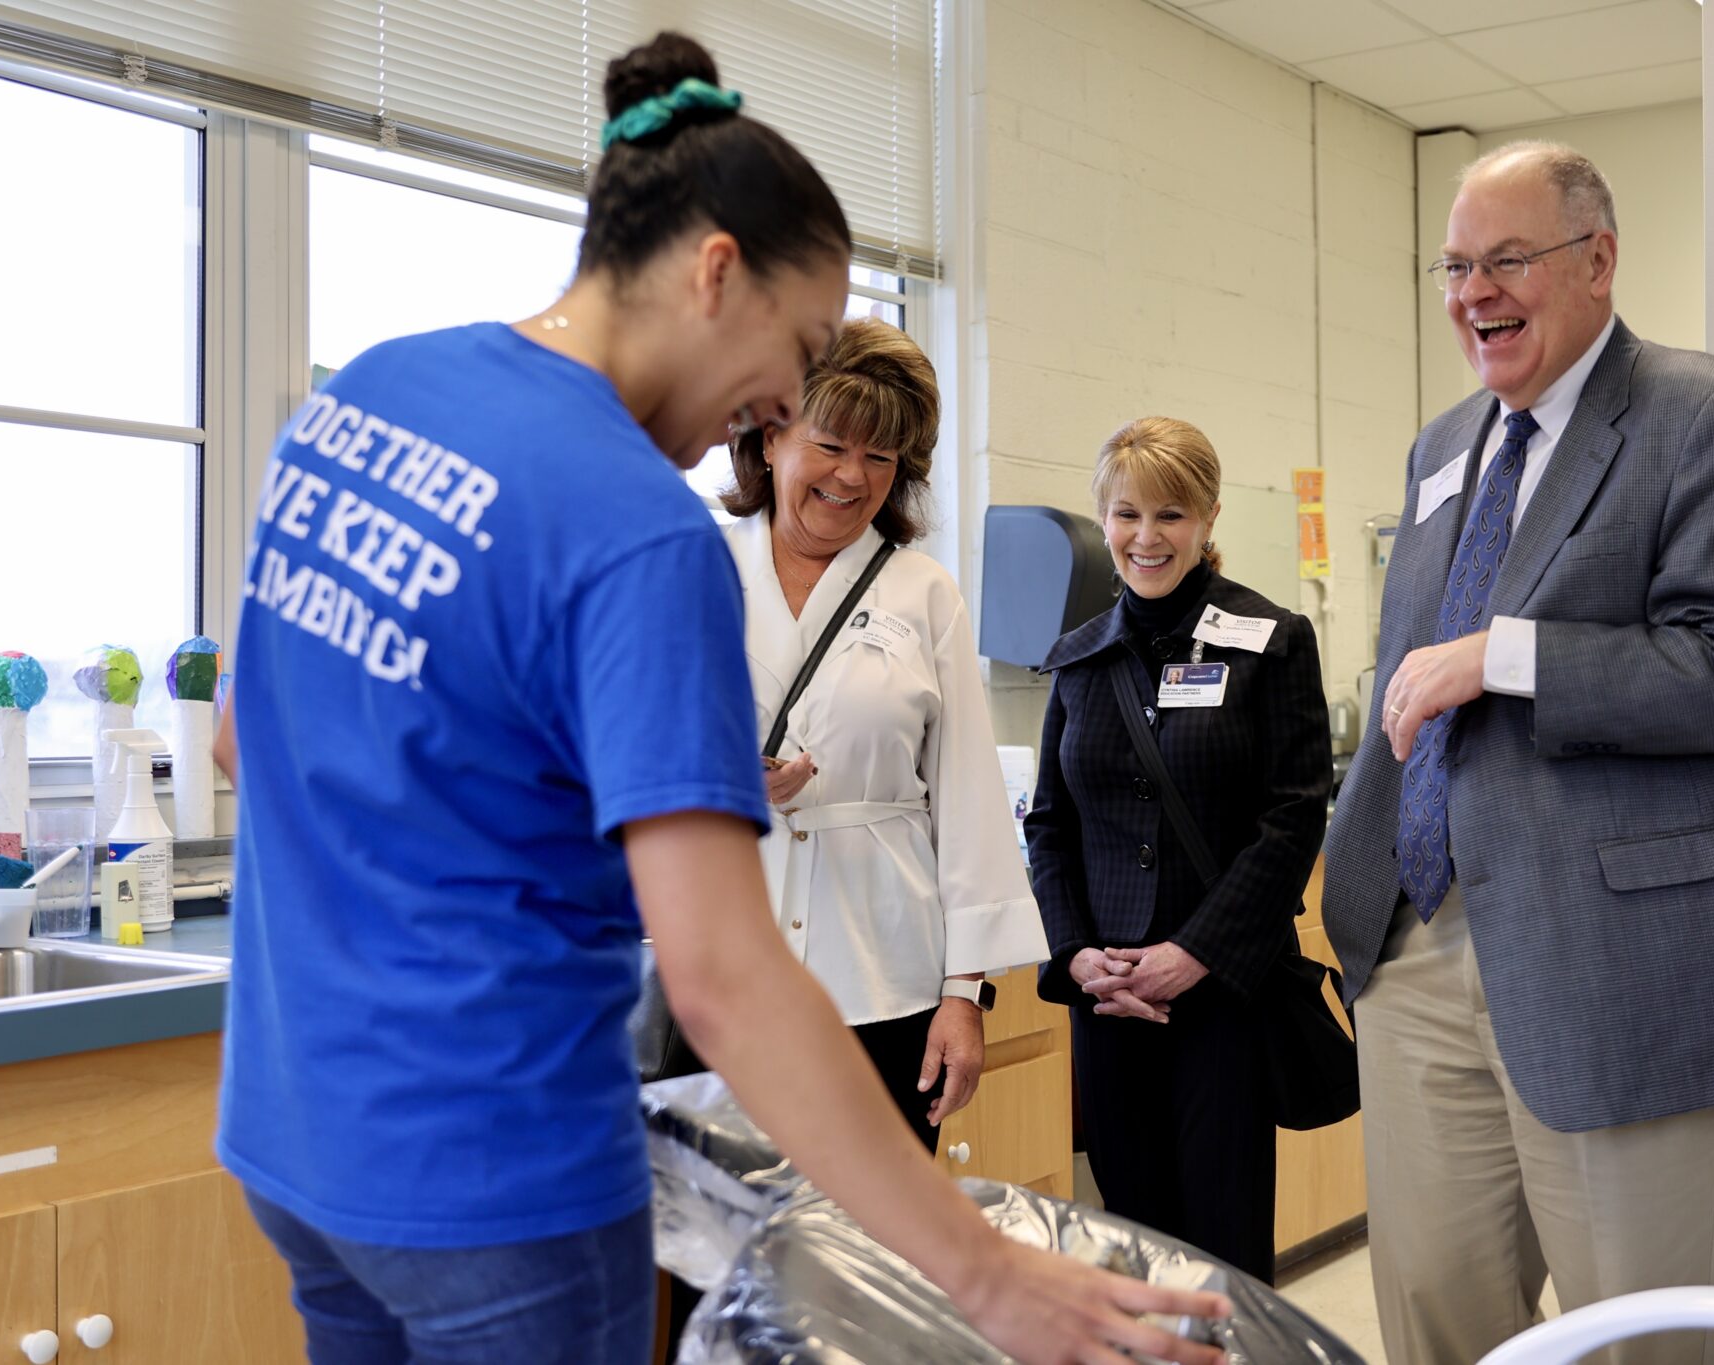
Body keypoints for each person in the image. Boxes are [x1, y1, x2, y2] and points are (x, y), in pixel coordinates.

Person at [216, 32, 1227, 1365]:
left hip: (295, 1132)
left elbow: (243, 738)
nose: (775, 407)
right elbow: (724, 978)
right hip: (492, 1166)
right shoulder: (644, 531)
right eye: (799, 349)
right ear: (713, 271)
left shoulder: (371, 393)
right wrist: (986, 1273)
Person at [1321, 141, 1714, 1365]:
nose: (1471, 293)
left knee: (1634, 1337)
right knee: (1435, 1321)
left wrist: (1505, 654)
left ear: (1595, 262)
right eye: (1451, 267)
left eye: (1504, 261)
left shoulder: (1705, 415)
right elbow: (1406, 676)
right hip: (1420, 944)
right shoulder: (1441, 451)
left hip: (1622, 962)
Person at [723, 318, 1048, 1146]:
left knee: (873, 1257)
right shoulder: (692, 570)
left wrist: (963, 993)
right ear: (768, 439)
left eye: (880, 456)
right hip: (724, 973)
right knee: (727, 1256)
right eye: (830, 443)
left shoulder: (923, 592)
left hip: (885, 981)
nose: (851, 476)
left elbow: (971, 803)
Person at [1024, 417, 1332, 1283]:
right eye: (1127, 514)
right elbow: (1049, 822)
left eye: (1171, 515)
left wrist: (1194, 953)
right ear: (1104, 518)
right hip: (1110, 999)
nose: (1146, 537)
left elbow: (1292, 815)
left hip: (1222, 997)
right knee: (1132, 1243)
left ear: (1209, 520)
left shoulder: (1270, 640)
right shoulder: (1078, 661)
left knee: (1223, 1250)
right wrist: (1078, 954)